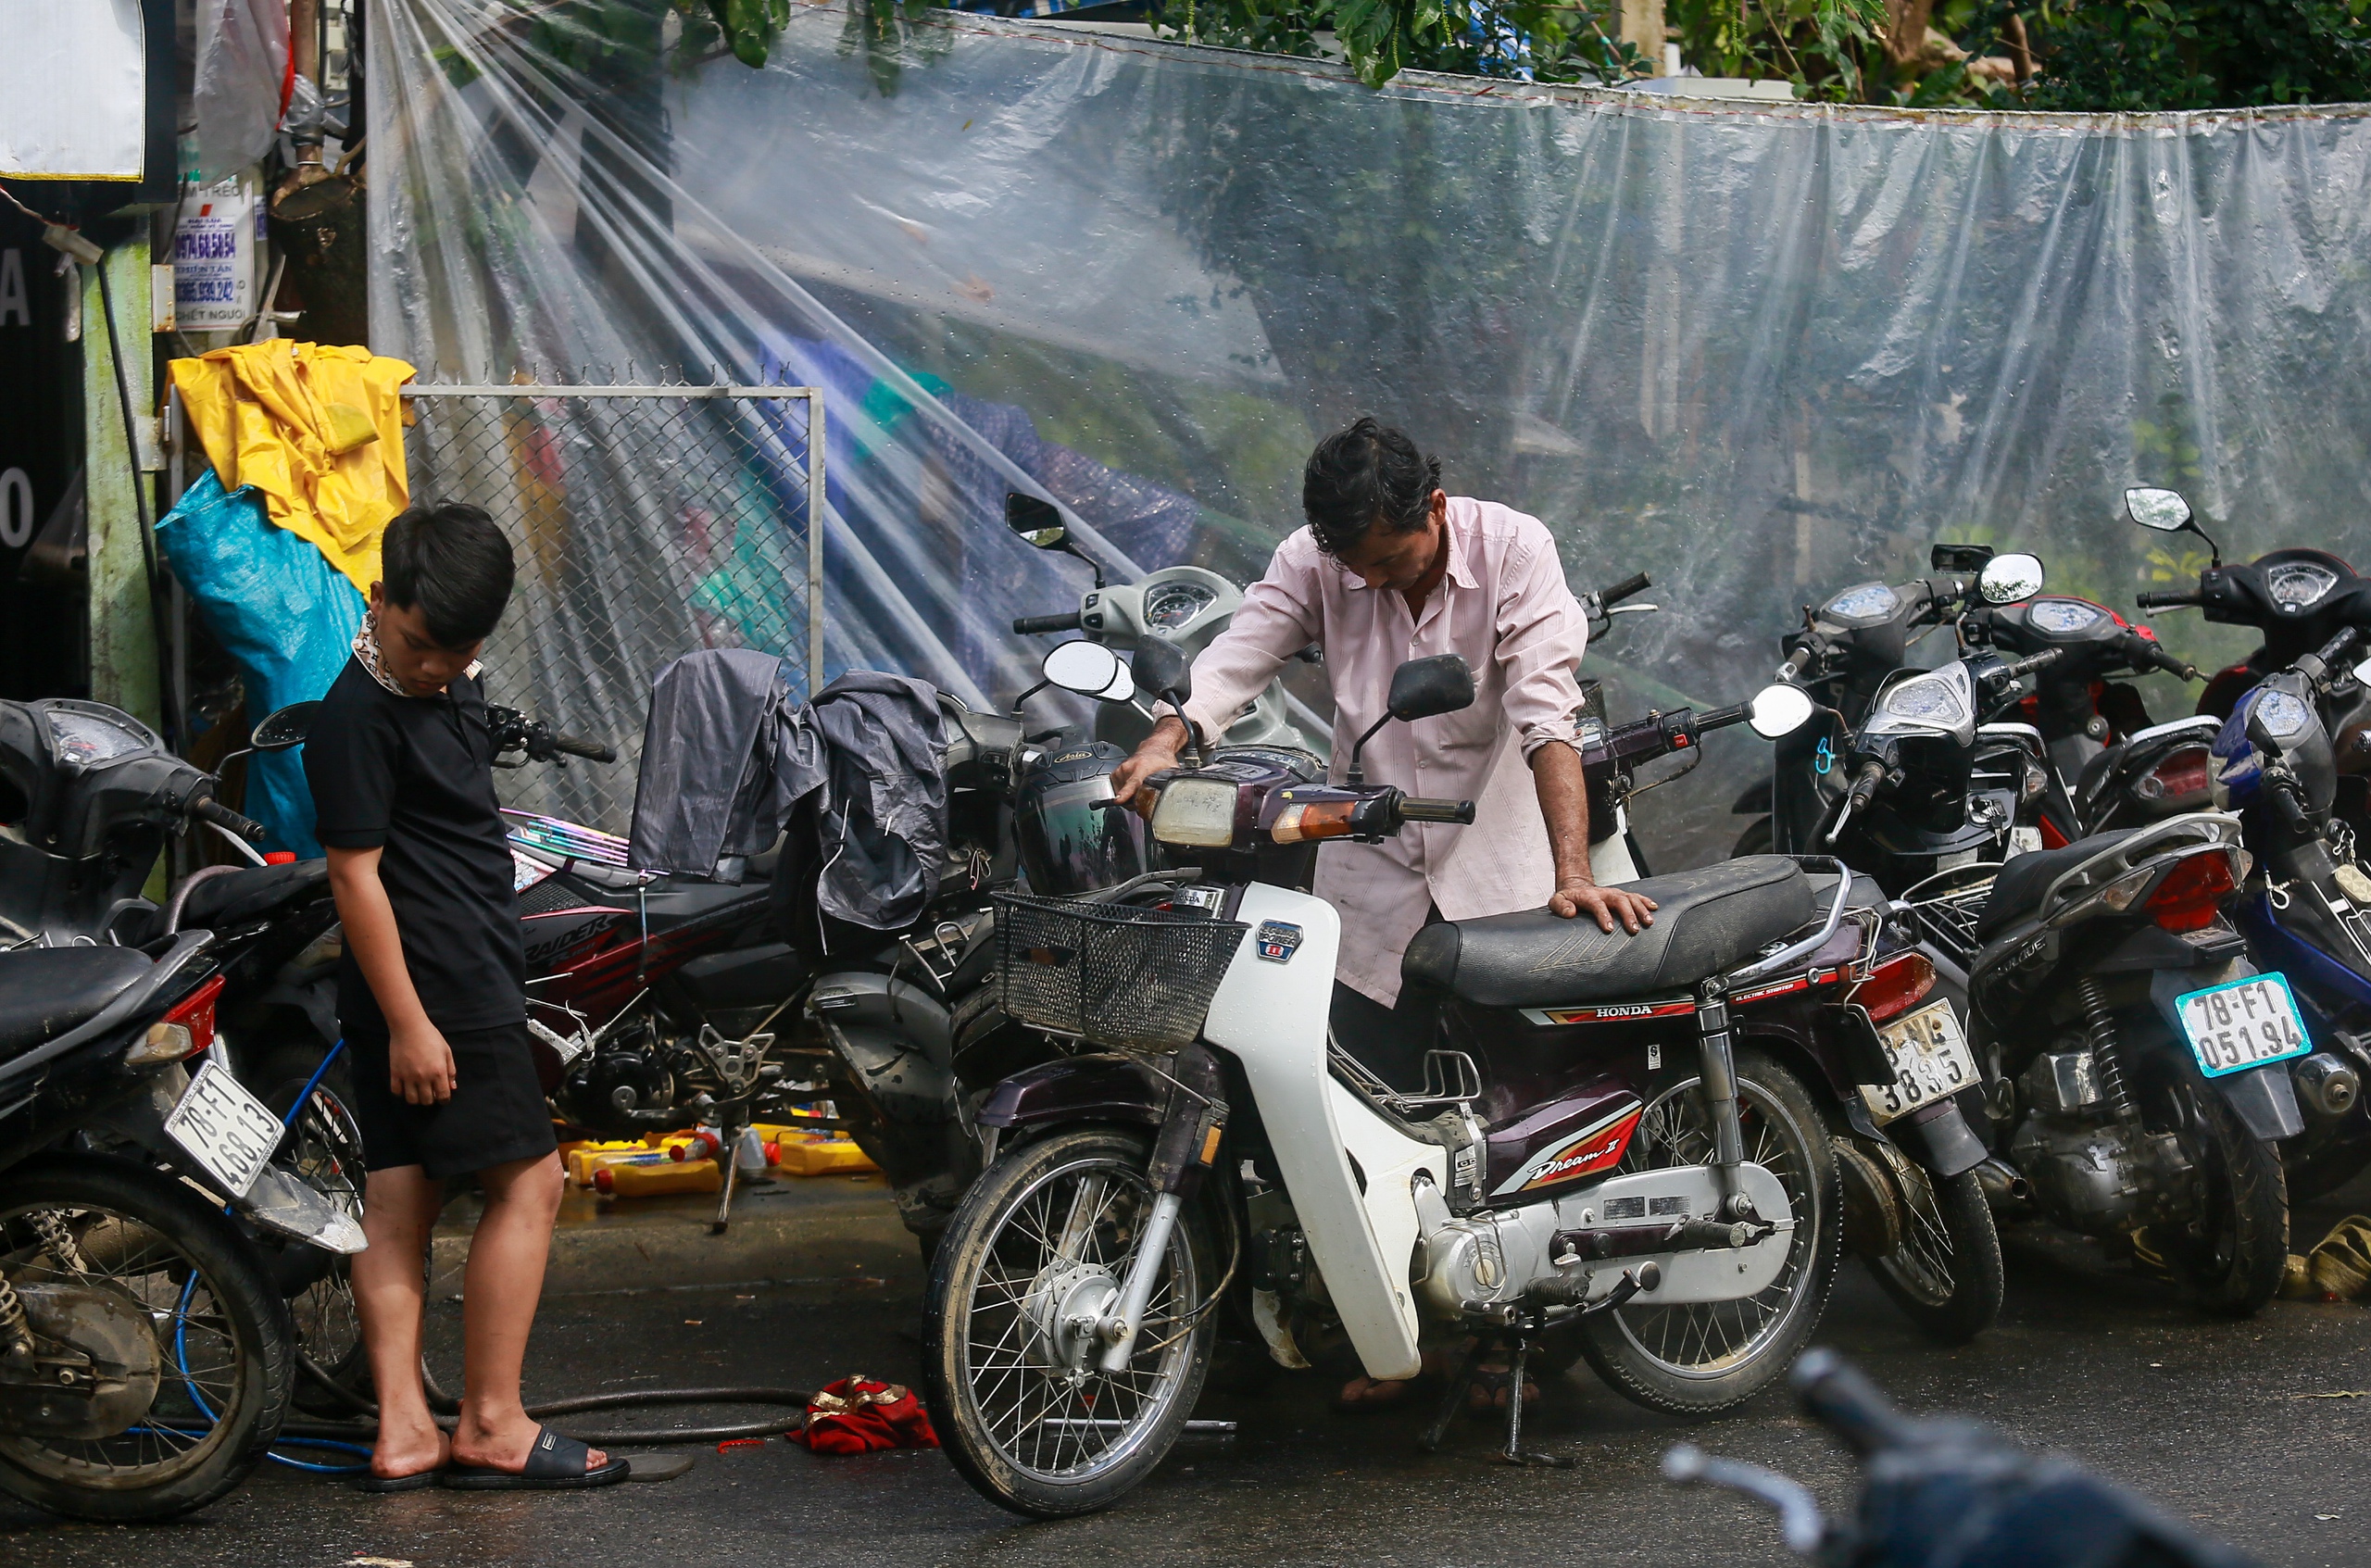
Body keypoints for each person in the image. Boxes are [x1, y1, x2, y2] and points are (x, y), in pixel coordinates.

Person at [1107, 419, 1658, 1409]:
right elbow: (1240, 654)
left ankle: (1524, 1347)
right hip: (1369, 877)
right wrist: (1168, 736)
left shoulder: (1514, 549)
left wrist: (1572, 870)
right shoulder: (1317, 561)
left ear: (1434, 510)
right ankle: (1409, 1336)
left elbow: (1547, 714)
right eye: (1357, 568)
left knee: (1513, 1117)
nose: (1374, 580)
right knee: (1367, 1112)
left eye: (1392, 561)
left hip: (1497, 865)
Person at [306, 502, 626, 1491]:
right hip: (439, 985)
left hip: (440, 972)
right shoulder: (354, 717)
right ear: (377, 599)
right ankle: (492, 1420)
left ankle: (406, 1430)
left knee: (400, 1195)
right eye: (418, 644)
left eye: (460, 649)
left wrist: (456, 677)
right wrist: (410, 1022)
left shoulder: (448, 681)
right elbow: (354, 876)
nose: (436, 666)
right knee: (531, 1182)